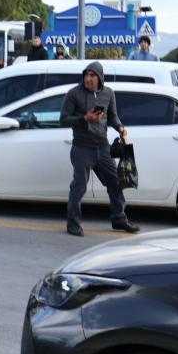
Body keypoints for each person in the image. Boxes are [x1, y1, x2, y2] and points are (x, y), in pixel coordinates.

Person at [60, 62, 139, 237]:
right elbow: (63, 119)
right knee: (79, 186)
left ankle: (119, 218)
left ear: (100, 77)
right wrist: (84, 119)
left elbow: (112, 116)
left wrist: (119, 127)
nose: (88, 78)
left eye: (92, 75)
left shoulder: (108, 93)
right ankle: (73, 223)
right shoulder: (74, 94)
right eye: (86, 75)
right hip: (82, 146)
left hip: (103, 147)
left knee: (115, 183)